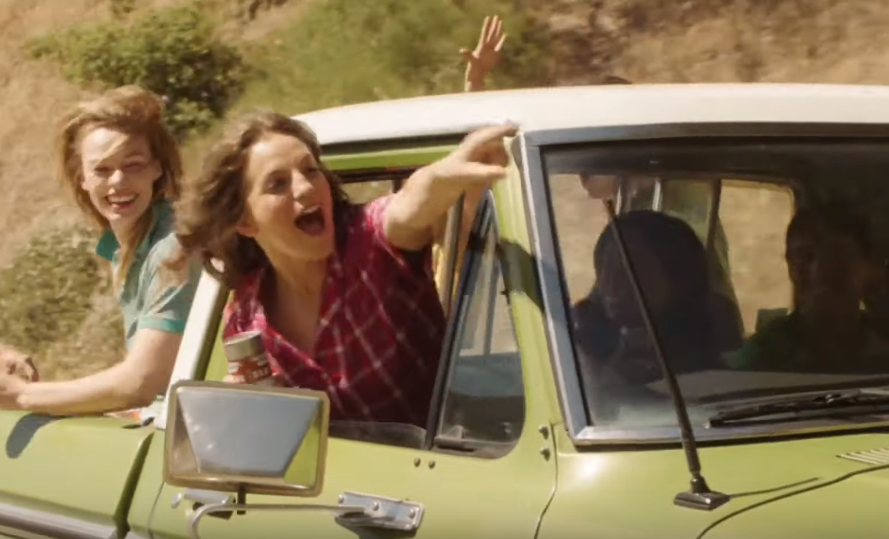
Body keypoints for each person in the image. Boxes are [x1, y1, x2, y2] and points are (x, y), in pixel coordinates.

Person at [171, 111, 515, 426]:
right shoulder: (246, 318)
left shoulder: (367, 241)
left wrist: (444, 173)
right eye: (277, 183)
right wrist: (243, 407)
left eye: (310, 170)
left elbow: (407, 207)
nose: (305, 187)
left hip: (434, 465)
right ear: (246, 222)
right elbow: (269, 435)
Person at [0, 85, 201, 416]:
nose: (118, 181)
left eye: (133, 165)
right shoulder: (121, 247)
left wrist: (23, 395)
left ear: (157, 167)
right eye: (102, 170)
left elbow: (142, 383)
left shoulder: (173, 248)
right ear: (81, 177)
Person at [572, 211, 727, 387]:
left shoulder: (707, 372)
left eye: (630, 266)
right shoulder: (572, 346)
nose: (611, 281)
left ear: (678, 280)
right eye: (605, 264)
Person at [728, 203, 889, 373]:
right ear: (790, 268)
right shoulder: (766, 352)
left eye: (837, 255)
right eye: (805, 256)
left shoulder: (883, 344)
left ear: (870, 267)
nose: (820, 270)